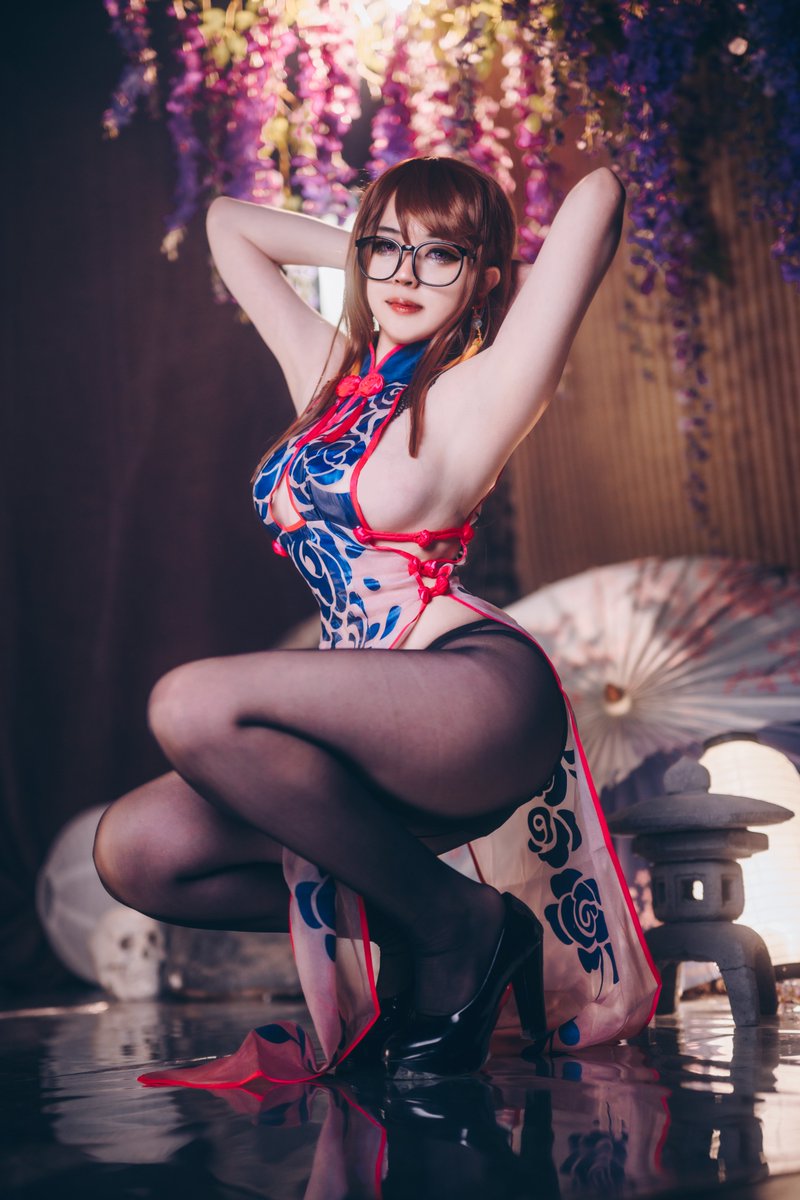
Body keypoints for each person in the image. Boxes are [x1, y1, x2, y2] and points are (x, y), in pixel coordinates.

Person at [93, 156, 659, 1083]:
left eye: (440, 256)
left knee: (188, 703)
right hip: (360, 717)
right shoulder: (327, 375)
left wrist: (491, 273)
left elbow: (600, 198)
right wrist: (371, 255)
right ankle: (442, 918)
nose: (405, 275)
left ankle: (454, 932)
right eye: (387, 248)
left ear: (484, 275)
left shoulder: (489, 385)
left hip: (468, 692)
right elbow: (229, 223)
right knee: (136, 850)